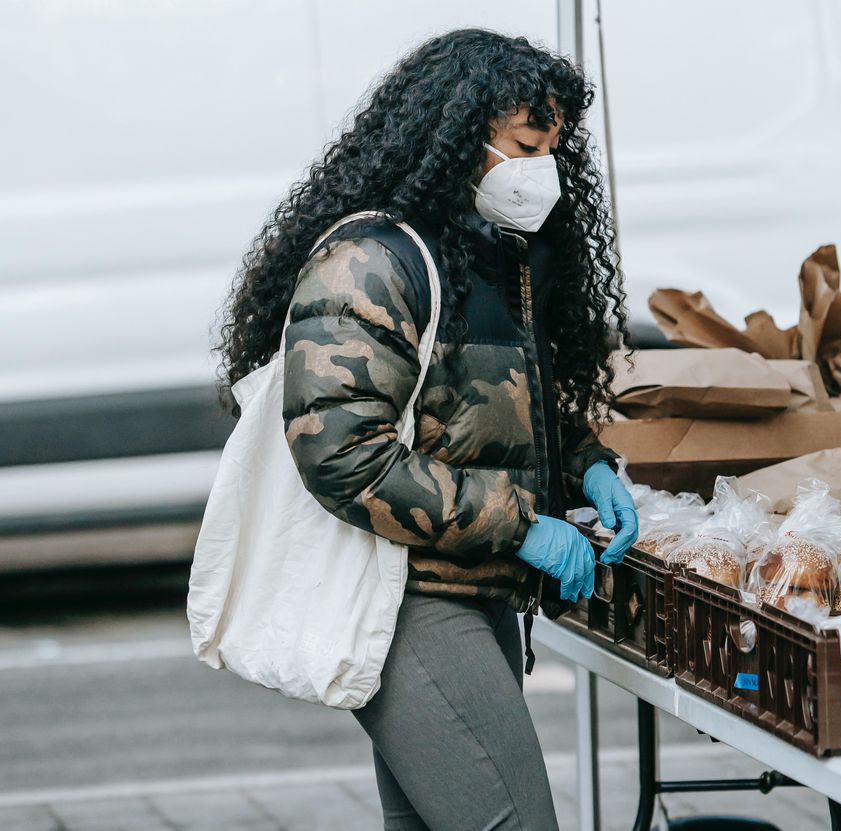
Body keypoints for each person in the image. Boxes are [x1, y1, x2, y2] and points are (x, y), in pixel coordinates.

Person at [217, 28, 639, 830]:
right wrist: (521, 525)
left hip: (478, 589)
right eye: (524, 145)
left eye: (553, 148)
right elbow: (344, 455)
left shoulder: (501, 256)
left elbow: (501, 404)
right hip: (408, 598)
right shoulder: (370, 262)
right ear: (456, 136)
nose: (540, 169)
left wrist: (586, 463)